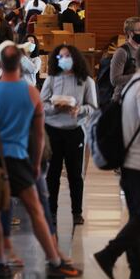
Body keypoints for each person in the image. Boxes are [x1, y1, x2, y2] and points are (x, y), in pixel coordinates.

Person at [0, 43, 82, 279]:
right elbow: (38, 135)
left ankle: (2, 262)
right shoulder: (30, 92)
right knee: (36, 209)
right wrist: (36, 165)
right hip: (18, 157)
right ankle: (55, 260)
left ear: (0, 64)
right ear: (20, 64)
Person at [92, 42, 140, 279]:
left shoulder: (133, 84)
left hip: (131, 161)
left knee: (138, 215)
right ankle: (108, 254)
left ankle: (138, 270)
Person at [40, 45, 96, 226]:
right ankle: (51, 211)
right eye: (60, 56)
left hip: (74, 130)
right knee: (52, 173)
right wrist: (54, 108)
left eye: (67, 56)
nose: (64, 59)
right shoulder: (51, 79)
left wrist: (79, 110)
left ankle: (77, 212)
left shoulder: (86, 81)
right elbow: (41, 104)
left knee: (75, 174)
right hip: (53, 129)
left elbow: (93, 107)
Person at [111, 17, 140, 100]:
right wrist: (138, 75)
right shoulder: (122, 52)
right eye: (139, 30)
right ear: (130, 33)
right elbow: (114, 80)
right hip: (122, 99)